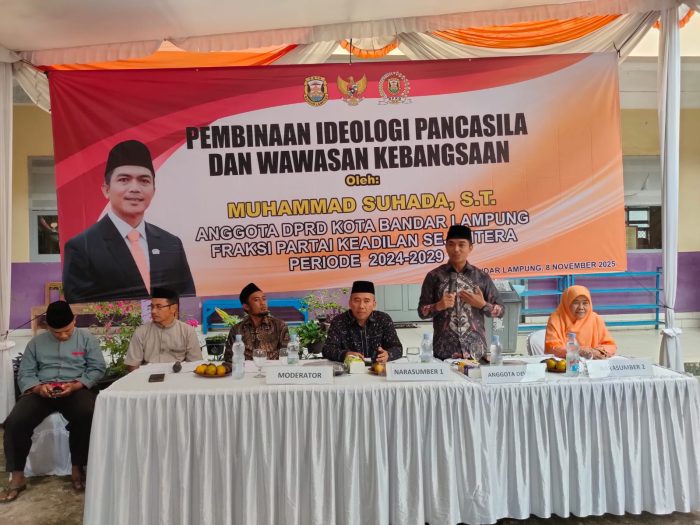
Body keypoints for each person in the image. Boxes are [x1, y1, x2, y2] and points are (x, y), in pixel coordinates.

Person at [62, 139, 196, 303]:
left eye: (144, 181)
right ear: (106, 189)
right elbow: (80, 308)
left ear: (153, 191)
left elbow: (188, 300)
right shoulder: (82, 247)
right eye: (124, 179)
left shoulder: (171, 243)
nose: (135, 188)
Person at [1, 301, 105, 502]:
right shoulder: (35, 344)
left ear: (74, 320)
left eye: (67, 331)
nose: (63, 336)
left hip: (75, 388)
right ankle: (17, 477)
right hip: (42, 391)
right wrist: (38, 388)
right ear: (47, 326)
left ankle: (78, 467)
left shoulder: (87, 339)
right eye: (57, 332)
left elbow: (97, 368)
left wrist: (76, 385)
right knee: (15, 422)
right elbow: (25, 374)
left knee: (87, 413)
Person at [418, 225, 504, 361]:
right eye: (451, 244)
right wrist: (438, 306)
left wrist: (482, 304)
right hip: (444, 352)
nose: (456, 249)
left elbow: (501, 311)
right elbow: (421, 312)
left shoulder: (481, 277)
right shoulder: (434, 276)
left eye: (461, 244)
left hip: (475, 352)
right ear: (446, 247)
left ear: (470, 247)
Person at [322, 280, 403, 363]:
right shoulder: (339, 321)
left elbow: (397, 348)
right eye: (357, 300)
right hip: (349, 369)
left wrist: (388, 354)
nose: (361, 306)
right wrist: (345, 354)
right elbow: (327, 349)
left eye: (366, 301)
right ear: (350, 303)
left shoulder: (383, 319)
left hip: (378, 368)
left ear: (374, 304)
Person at [125, 288, 202, 371]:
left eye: (159, 307)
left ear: (173, 308)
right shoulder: (141, 331)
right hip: (147, 376)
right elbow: (132, 365)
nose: (153, 311)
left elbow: (195, 364)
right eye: (152, 307)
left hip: (177, 376)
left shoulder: (187, 331)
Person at [545, 285, 617, 359]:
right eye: (576, 303)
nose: (581, 307)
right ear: (567, 303)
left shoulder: (595, 318)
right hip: (564, 363)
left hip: (592, 363)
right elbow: (552, 347)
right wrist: (578, 351)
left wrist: (597, 351)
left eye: (585, 303)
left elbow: (610, 345)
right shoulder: (556, 319)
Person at [223, 283, 290, 361]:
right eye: (256, 300)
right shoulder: (236, 330)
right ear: (246, 306)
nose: (263, 303)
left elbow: (287, 357)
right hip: (245, 368)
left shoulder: (279, 326)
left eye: (264, 299)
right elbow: (229, 359)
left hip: (272, 368)